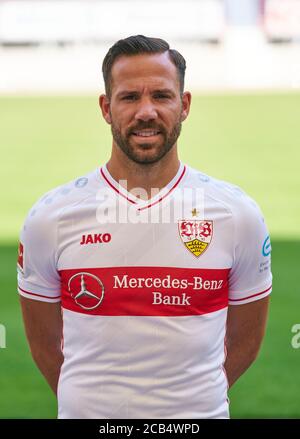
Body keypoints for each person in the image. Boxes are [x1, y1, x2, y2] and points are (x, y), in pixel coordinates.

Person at [17, 35, 272, 419]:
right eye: (130, 97)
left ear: (184, 105)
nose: (146, 112)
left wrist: (187, 405)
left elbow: (245, 342)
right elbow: (46, 347)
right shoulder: (50, 218)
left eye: (162, 96)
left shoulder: (238, 216)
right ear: (106, 107)